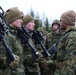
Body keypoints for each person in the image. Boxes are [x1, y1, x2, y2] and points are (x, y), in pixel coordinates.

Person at [4, 7, 25, 75]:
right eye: (19, 18)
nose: (22, 21)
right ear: (12, 19)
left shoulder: (15, 35)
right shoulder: (6, 36)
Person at [54, 10, 76, 75]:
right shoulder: (67, 35)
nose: (59, 22)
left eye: (61, 20)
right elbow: (62, 59)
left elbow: (70, 63)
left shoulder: (72, 36)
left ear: (66, 21)